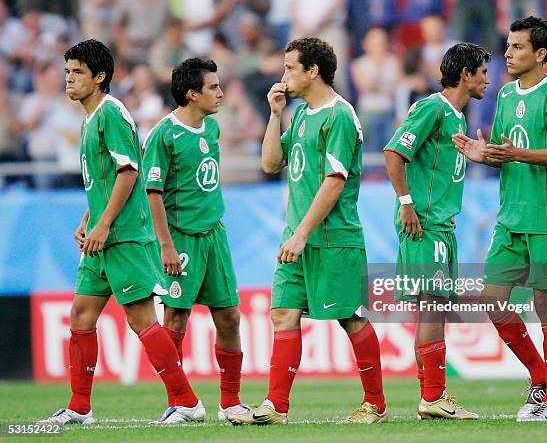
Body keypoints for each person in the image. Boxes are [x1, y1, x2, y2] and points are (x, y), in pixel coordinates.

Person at [38, 39, 204, 425]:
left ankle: (187, 401)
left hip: (124, 236)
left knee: (140, 318)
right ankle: (80, 407)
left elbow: (130, 171)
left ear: (100, 77)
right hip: (101, 236)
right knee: (80, 314)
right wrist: (88, 218)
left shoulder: (111, 113)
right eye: (67, 72)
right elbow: (105, 179)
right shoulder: (90, 118)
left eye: (77, 72)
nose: (69, 79)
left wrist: (105, 222)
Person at [228, 37, 387, 425]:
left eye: (289, 68)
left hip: (332, 238)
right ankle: (275, 407)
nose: (283, 76)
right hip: (297, 237)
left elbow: (334, 181)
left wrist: (301, 233)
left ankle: (376, 405)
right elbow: (270, 164)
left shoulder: (340, 115)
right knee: (283, 314)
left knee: (350, 318)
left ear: (312, 70)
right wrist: (274, 114)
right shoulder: (299, 115)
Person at [452, 17, 547, 422]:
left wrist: (517, 155)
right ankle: (540, 378)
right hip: (511, 217)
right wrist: (482, 154)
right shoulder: (506, 96)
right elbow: (505, 151)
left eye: (517, 47)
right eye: (507, 46)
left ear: (540, 53)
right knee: (492, 299)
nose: (507, 54)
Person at [384, 43, 490, 420]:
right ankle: (433, 396)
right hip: (423, 224)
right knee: (432, 309)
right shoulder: (434, 108)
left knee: (435, 310)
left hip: (439, 224)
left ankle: (431, 396)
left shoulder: (457, 118)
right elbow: (395, 152)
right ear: (464, 74)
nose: (486, 80)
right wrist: (407, 202)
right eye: (481, 72)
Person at [142, 57, 251, 421]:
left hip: (214, 235)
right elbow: (152, 192)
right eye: (213, 87)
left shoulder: (211, 129)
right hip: (181, 240)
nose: (220, 93)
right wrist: (166, 245)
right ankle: (179, 402)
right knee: (176, 320)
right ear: (192, 94)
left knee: (230, 318)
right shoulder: (164, 135)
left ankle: (231, 402)